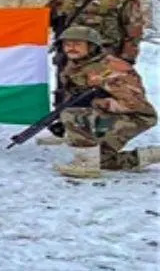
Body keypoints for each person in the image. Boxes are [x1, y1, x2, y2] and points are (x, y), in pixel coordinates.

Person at [40, 0, 145, 145]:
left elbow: (133, 29)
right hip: (70, 55)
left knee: (101, 94)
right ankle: (66, 128)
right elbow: (40, 20)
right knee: (66, 90)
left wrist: (127, 58)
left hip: (105, 57)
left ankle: (98, 134)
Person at [51, 26, 157, 178]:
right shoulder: (75, 65)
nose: (71, 48)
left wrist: (96, 103)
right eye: (67, 44)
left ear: (92, 46)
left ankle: (86, 164)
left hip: (135, 116)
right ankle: (152, 155)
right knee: (104, 160)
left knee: (73, 113)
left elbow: (134, 104)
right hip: (110, 114)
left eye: (77, 44)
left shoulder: (110, 69)